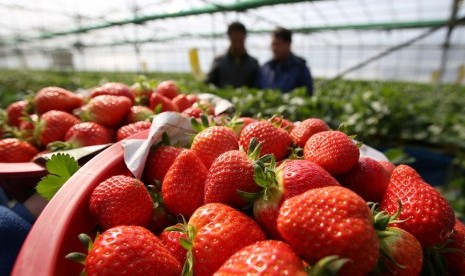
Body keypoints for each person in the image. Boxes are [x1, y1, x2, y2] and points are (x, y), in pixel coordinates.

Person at [258, 27, 314, 95]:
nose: (274, 48)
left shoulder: (300, 69)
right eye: (272, 44)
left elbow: (307, 94)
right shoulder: (266, 68)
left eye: (277, 44)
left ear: (288, 44)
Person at [205, 21, 259, 88]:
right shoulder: (219, 61)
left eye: (240, 40)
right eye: (235, 39)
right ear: (229, 38)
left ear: (244, 37)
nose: (237, 43)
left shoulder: (253, 63)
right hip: (222, 98)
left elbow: (258, 86)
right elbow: (208, 83)